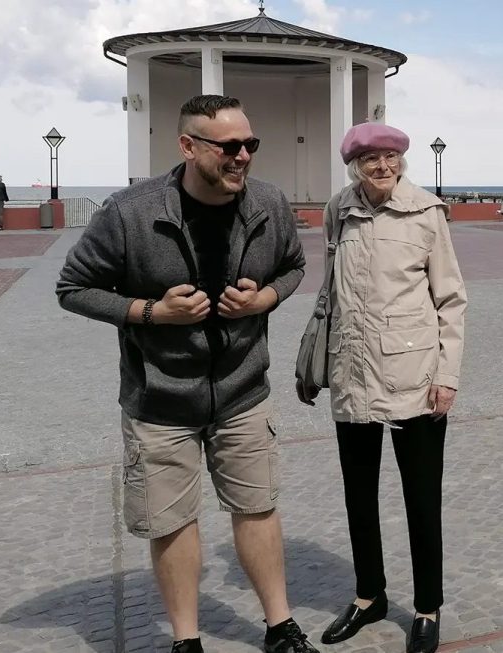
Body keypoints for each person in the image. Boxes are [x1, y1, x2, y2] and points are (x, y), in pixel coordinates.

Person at [57, 94, 318, 653]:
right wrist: (153, 312)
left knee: (257, 507)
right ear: (188, 146)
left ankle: (280, 627)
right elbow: (73, 287)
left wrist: (265, 298)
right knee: (172, 520)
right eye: (229, 146)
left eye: (250, 144)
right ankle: (187, 641)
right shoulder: (129, 212)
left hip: (244, 393)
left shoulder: (268, 203)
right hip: (160, 401)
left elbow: (294, 266)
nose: (242, 156)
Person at [296, 123, 467, 653]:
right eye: (371, 158)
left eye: (391, 157)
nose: (383, 166)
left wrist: (447, 376)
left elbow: (451, 299)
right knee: (358, 495)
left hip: (415, 378)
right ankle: (368, 595)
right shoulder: (339, 210)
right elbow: (331, 290)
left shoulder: (427, 213)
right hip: (352, 374)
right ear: (355, 165)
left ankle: (427, 607)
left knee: (422, 499)